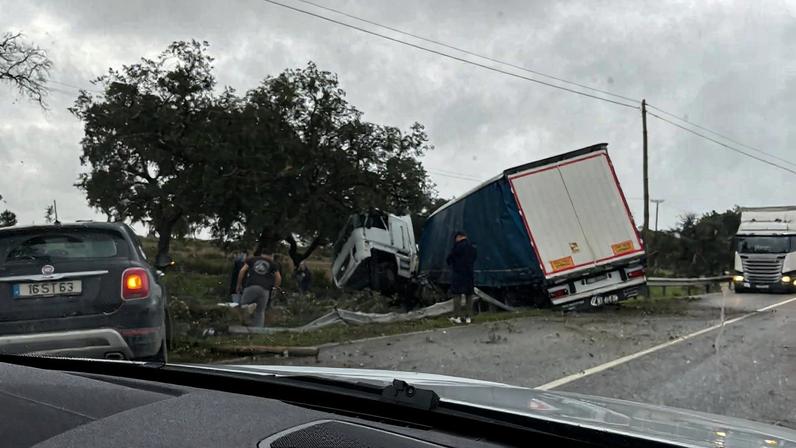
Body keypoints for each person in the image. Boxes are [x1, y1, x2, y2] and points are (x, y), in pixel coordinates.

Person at [236, 248, 282, 327]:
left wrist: (239, 284)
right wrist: (275, 288)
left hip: (251, 285)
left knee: (243, 305)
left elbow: (242, 271)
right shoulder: (273, 263)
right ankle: (258, 331)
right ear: (271, 255)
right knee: (260, 311)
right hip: (265, 289)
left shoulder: (252, 259)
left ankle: (245, 323)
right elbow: (278, 277)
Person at [446, 230, 477, 324]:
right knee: (469, 295)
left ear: (458, 237)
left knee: (457, 295)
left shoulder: (457, 246)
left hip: (458, 273)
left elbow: (449, 258)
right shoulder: (472, 247)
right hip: (469, 273)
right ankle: (468, 317)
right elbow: (474, 257)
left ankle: (457, 317)